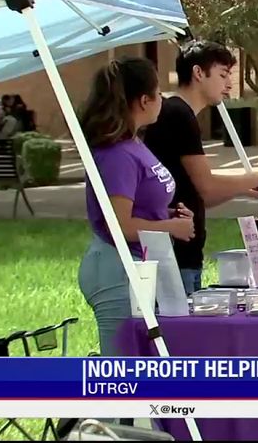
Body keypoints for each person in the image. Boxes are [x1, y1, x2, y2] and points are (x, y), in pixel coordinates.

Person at [143, 40, 258, 295]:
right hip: (174, 256)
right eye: (223, 75)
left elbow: (200, 192)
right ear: (198, 73)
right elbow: (207, 186)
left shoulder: (179, 113)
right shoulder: (178, 114)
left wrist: (245, 189)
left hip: (183, 255)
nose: (228, 84)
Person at [78, 57, 196, 356]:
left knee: (147, 362)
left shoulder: (134, 143)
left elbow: (136, 205)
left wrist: (166, 215)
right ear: (144, 100)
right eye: (159, 93)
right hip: (116, 269)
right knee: (123, 367)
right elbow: (119, 226)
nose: (163, 99)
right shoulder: (117, 154)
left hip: (139, 267)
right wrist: (171, 228)